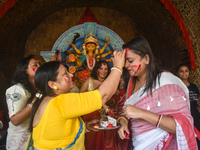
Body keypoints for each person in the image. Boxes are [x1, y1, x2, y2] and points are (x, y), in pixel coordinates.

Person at [26, 50, 125, 149]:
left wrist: (85, 127)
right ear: (52, 84)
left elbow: (58, 132)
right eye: (65, 73)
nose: (71, 75)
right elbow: (103, 95)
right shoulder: (61, 101)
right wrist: (118, 67)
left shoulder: (46, 101)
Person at [117, 37, 197, 149]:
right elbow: (126, 110)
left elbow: (181, 125)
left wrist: (141, 113)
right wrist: (123, 122)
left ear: (146, 58)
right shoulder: (132, 81)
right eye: (125, 61)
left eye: (130, 61)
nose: (126, 65)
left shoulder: (165, 83)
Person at [79, 60, 129, 150]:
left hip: (106, 115)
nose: (103, 71)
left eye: (106, 69)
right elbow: (80, 97)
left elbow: (117, 96)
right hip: (91, 115)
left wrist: (108, 104)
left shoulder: (111, 82)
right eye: (101, 68)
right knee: (92, 140)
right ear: (96, 70)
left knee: (106, 141)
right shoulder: (89, 81)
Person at [5, 55, 40, 150]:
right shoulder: (17, 89)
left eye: (39, 64)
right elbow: (15, 120)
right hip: (20, 141)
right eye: (35, 65)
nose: (39, 67)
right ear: (25, 70)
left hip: (35, 138)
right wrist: (37, 98)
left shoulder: (38, 88)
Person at [176, 63, 200, 149]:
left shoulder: (194, 86)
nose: (184, 73)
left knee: (197, 137)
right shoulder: (176, 87)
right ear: (177, 73)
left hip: (195, 116)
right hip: (183, 118)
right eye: (181, 71)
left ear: (189, 73)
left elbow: (197, 100)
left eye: (186, 71)